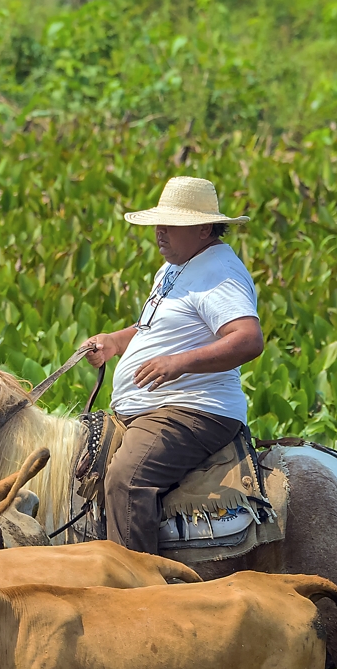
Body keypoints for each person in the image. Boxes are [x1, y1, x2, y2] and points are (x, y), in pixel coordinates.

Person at [78, 176, 265, 555]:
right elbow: (152, 328)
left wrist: (179, 363)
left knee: (126, 481)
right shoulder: (174, 268)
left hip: (194, 409)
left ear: (203, 228)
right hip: (156, 407)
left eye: (171, 224)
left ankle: (139, 596)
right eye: (158, 224)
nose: (160, 233)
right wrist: (115, 341)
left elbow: (248, 338)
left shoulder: (220, 273)